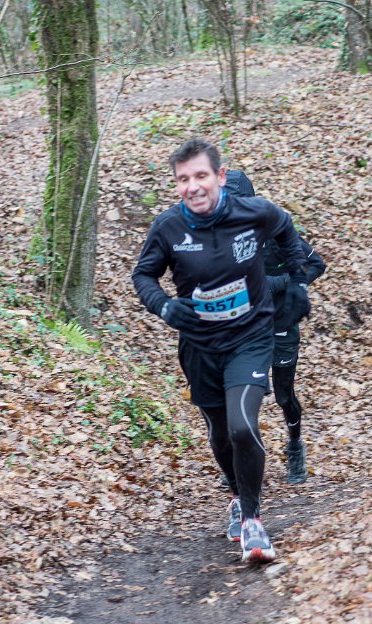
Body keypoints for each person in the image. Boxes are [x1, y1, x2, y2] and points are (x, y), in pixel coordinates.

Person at [132, 138, 307, 563]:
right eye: (183, 179)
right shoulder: (168, 227)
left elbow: (287, 233)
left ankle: (252, 520)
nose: (193, 186)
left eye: (201, 176)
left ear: (220, 176)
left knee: (243, 427)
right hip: (199, 346)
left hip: (250, 338)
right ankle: (235, 495)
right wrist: (165, 306)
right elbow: (143, 276)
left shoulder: (255, 212)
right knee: (220, 431)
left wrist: (297, 284)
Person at [225, 170, 326, 484]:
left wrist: (279, 283)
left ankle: (295, 446)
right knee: (241, 395)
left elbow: (316, 264)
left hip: (280, 324)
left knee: (284, 396)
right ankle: (241, 460)